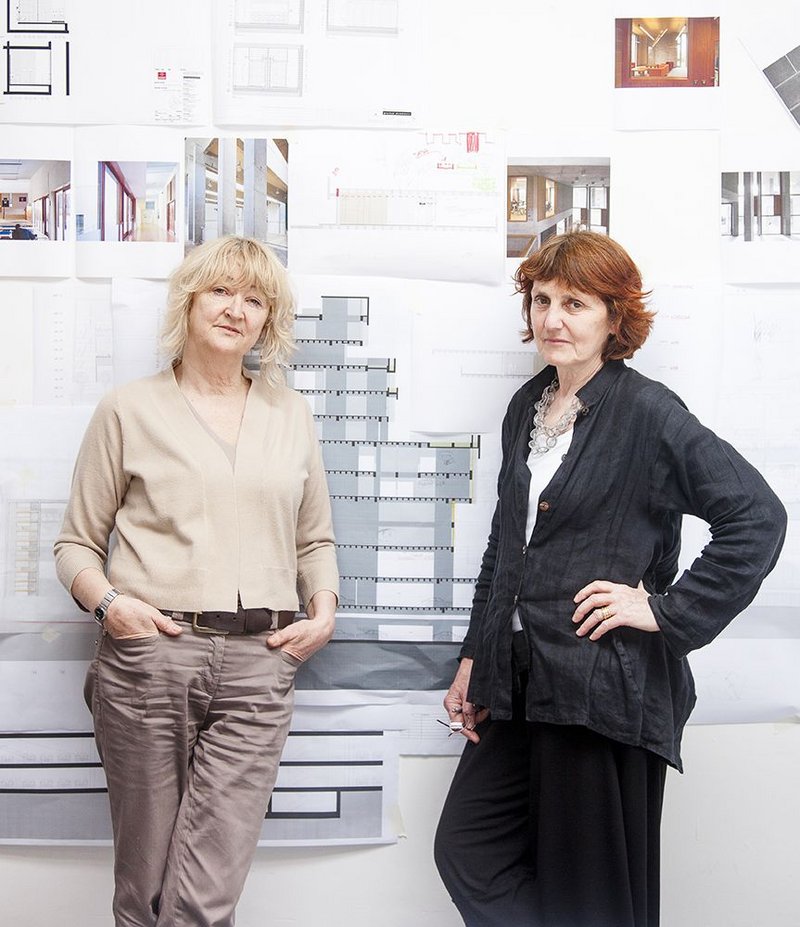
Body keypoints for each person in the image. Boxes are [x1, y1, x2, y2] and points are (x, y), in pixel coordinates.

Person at [433, 231, 786, 927]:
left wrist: (664, 610)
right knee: (467, 849)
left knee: (587, 891)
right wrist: (475, 658)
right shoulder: (526, 408)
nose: (552, 318)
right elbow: (504, 551)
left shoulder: (648, 412)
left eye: (575, 302)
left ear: (614, 317)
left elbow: (757, 517)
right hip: (520, 684)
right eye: (541, 300)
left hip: (600, 688)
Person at [54, 236, 338, 927]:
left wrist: (323, 610)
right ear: (189, 300)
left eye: (254, 297)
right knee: (146, 884)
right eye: (220, 290)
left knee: (207, 891)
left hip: (260, 665)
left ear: (269, 320)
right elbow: (75, 545)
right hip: (153, 656)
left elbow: (315, 538)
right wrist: (113, 607)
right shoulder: (128, 409)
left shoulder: (290, 414)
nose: (235, 308)